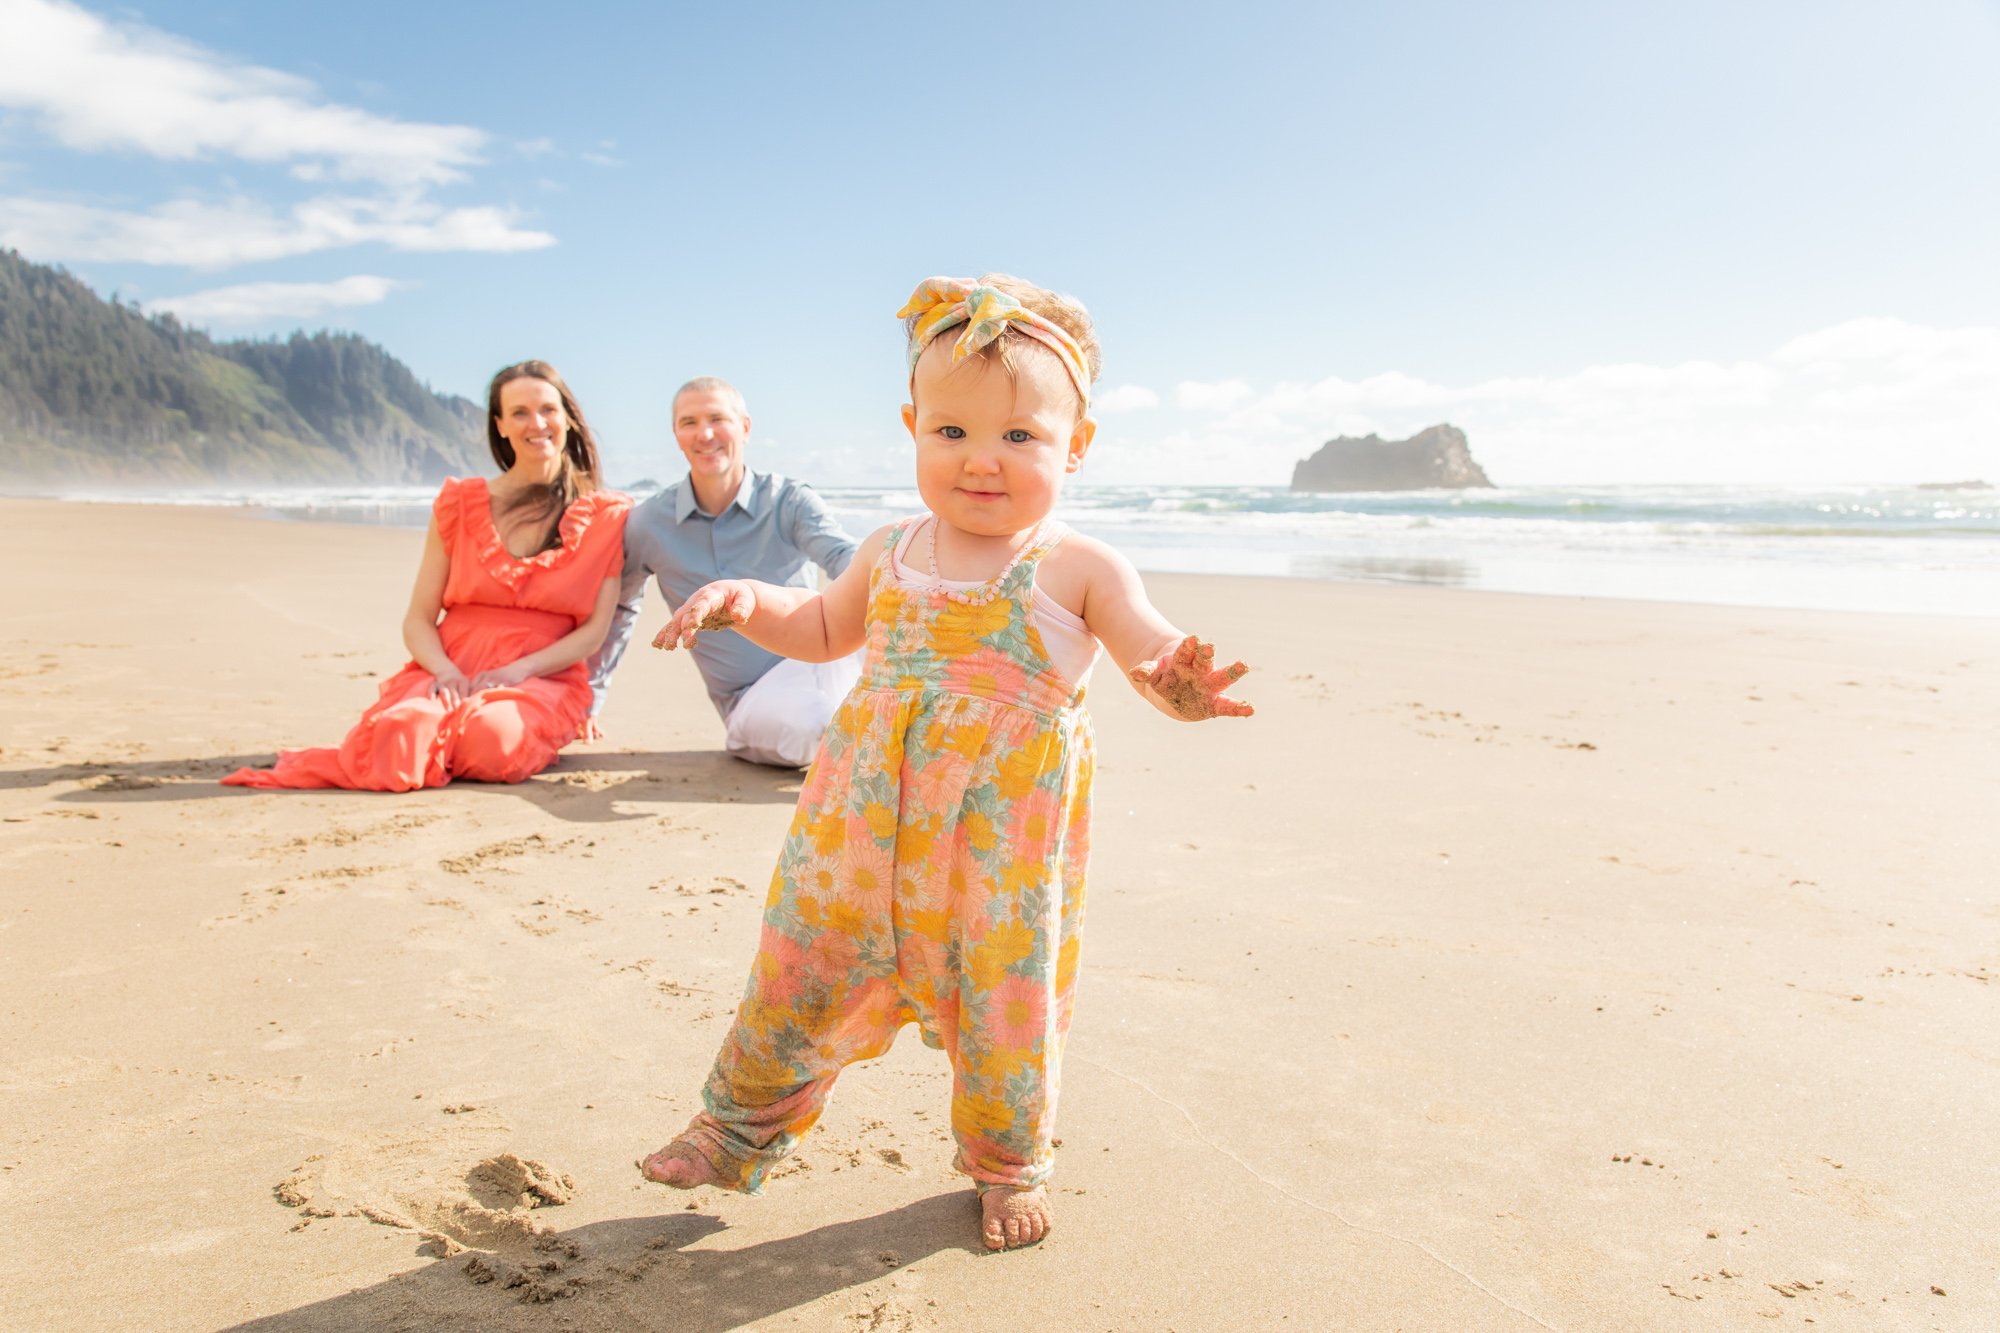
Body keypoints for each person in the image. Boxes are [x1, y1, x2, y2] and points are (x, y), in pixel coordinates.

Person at [634, 275, 1254, 1250]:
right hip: (855, 836)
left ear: (1075, 446)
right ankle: (735, 1126)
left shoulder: (1075, 566)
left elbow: (1145, 646)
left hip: (997, 860)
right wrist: (747, 596)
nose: (980, 460)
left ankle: (1007, 1164)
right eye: (951, 433)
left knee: (1007, 1006)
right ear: (912, 427)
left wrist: (1174, 679)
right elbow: (822, 626)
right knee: (796, 969)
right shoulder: (887, 551)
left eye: (1019, 437)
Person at [223, 361, 631, 791]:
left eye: (548, 409)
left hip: (541, 674)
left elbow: (593, 632)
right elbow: (419, 617)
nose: (537, 423)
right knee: (402, 731)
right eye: (520, 412)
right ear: (501, 426)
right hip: (450, 664)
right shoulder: (459, 502)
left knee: (494, 740)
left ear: (567, 417)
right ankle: (436, 733)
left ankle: (457, 740)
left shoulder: (606, 515)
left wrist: (519, 671)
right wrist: (444, 672)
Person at [586, 377, 858, 767]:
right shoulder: (648, 523)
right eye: (689, 422)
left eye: (717, 418)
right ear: (676, 435)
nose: (705, 433)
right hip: (753, 696)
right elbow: (621, 610)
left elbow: (846, 560)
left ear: (744, 427)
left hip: (823, 655)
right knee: (815, 726)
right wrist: (591, 698)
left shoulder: (789, 500)